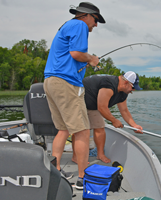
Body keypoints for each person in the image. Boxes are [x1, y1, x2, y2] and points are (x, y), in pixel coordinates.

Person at [43, 2, 105, 190]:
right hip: (66, 84)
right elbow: (76, 53)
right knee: (82, 131)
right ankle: (82, 178)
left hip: (51, 81)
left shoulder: (66, 26)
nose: (95, 25)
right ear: (87, 15)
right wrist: (92, 59)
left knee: (63, 129)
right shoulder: (79, 25)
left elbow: (69, 56)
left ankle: (56, 169)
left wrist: (82, 63)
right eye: (96, 20)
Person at [72, 71, 143, 163]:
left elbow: (124, 110)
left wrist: (134, 125)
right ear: (126, 82)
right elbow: (102, 107)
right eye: (133, 87)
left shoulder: (124, 92)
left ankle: (100, 154)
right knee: (81, 131)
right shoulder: (109, 84)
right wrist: (114, 120)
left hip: (93, 104)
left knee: (100, 127)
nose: (133, 90)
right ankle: (75, 156)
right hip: (79, 100)